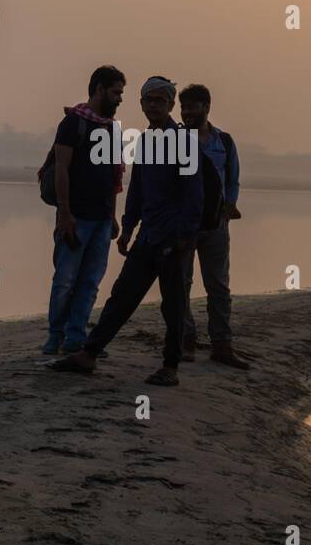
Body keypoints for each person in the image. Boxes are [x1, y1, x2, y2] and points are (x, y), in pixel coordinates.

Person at [47, 76, 202, 386]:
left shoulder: (184, 141)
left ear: (171, 105)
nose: (154, 105)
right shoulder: (145, 141)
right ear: (142, 104)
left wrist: (184, 236)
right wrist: (128, 228)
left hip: (172, 237)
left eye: (161, 100)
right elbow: (138, 191)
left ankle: (170, 366)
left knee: (172, 304)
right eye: (149, 100)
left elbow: (193, 195)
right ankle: (88, 354)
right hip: (147, 236)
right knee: (121, 297)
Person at [42, 65, 126, 358]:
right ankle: (55, 337)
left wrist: (113, 215)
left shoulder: (113, 129)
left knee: (90, 282)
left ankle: (75, 337)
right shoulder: (73, 124)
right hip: (76, 217)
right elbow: (61, 170)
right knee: (65, 280)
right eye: (116, 92)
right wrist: (65, 213)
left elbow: (115, 177)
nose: (119, 99)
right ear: (99, 89)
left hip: (101, 219)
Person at [179, 84, 250, 369]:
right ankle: (185, 339)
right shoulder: (177, 140)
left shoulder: (225, 142)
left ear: (206, 107)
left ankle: (222, 344)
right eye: (183, 108)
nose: (187, 113)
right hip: (184, 223)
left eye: (192, 107)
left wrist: (228, 205)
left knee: (218, 286)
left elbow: (232, 180)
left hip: (216, 225)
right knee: (181, 284)